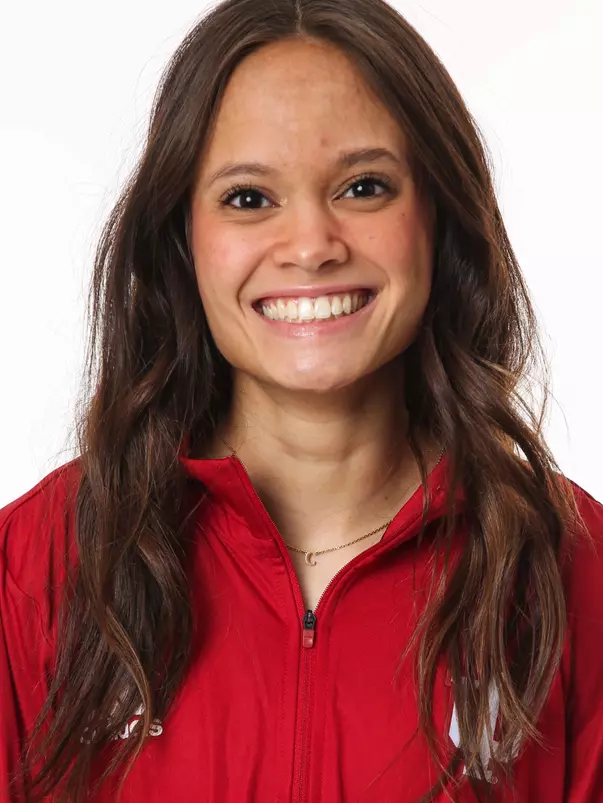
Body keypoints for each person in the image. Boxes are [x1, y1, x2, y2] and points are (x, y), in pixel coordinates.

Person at [1, 0, 602, 800]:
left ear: (438, 217)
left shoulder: (572, 568)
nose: (312, 245)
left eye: (363, 186)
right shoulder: (40, 560)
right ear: (181, 240)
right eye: (249, 198)